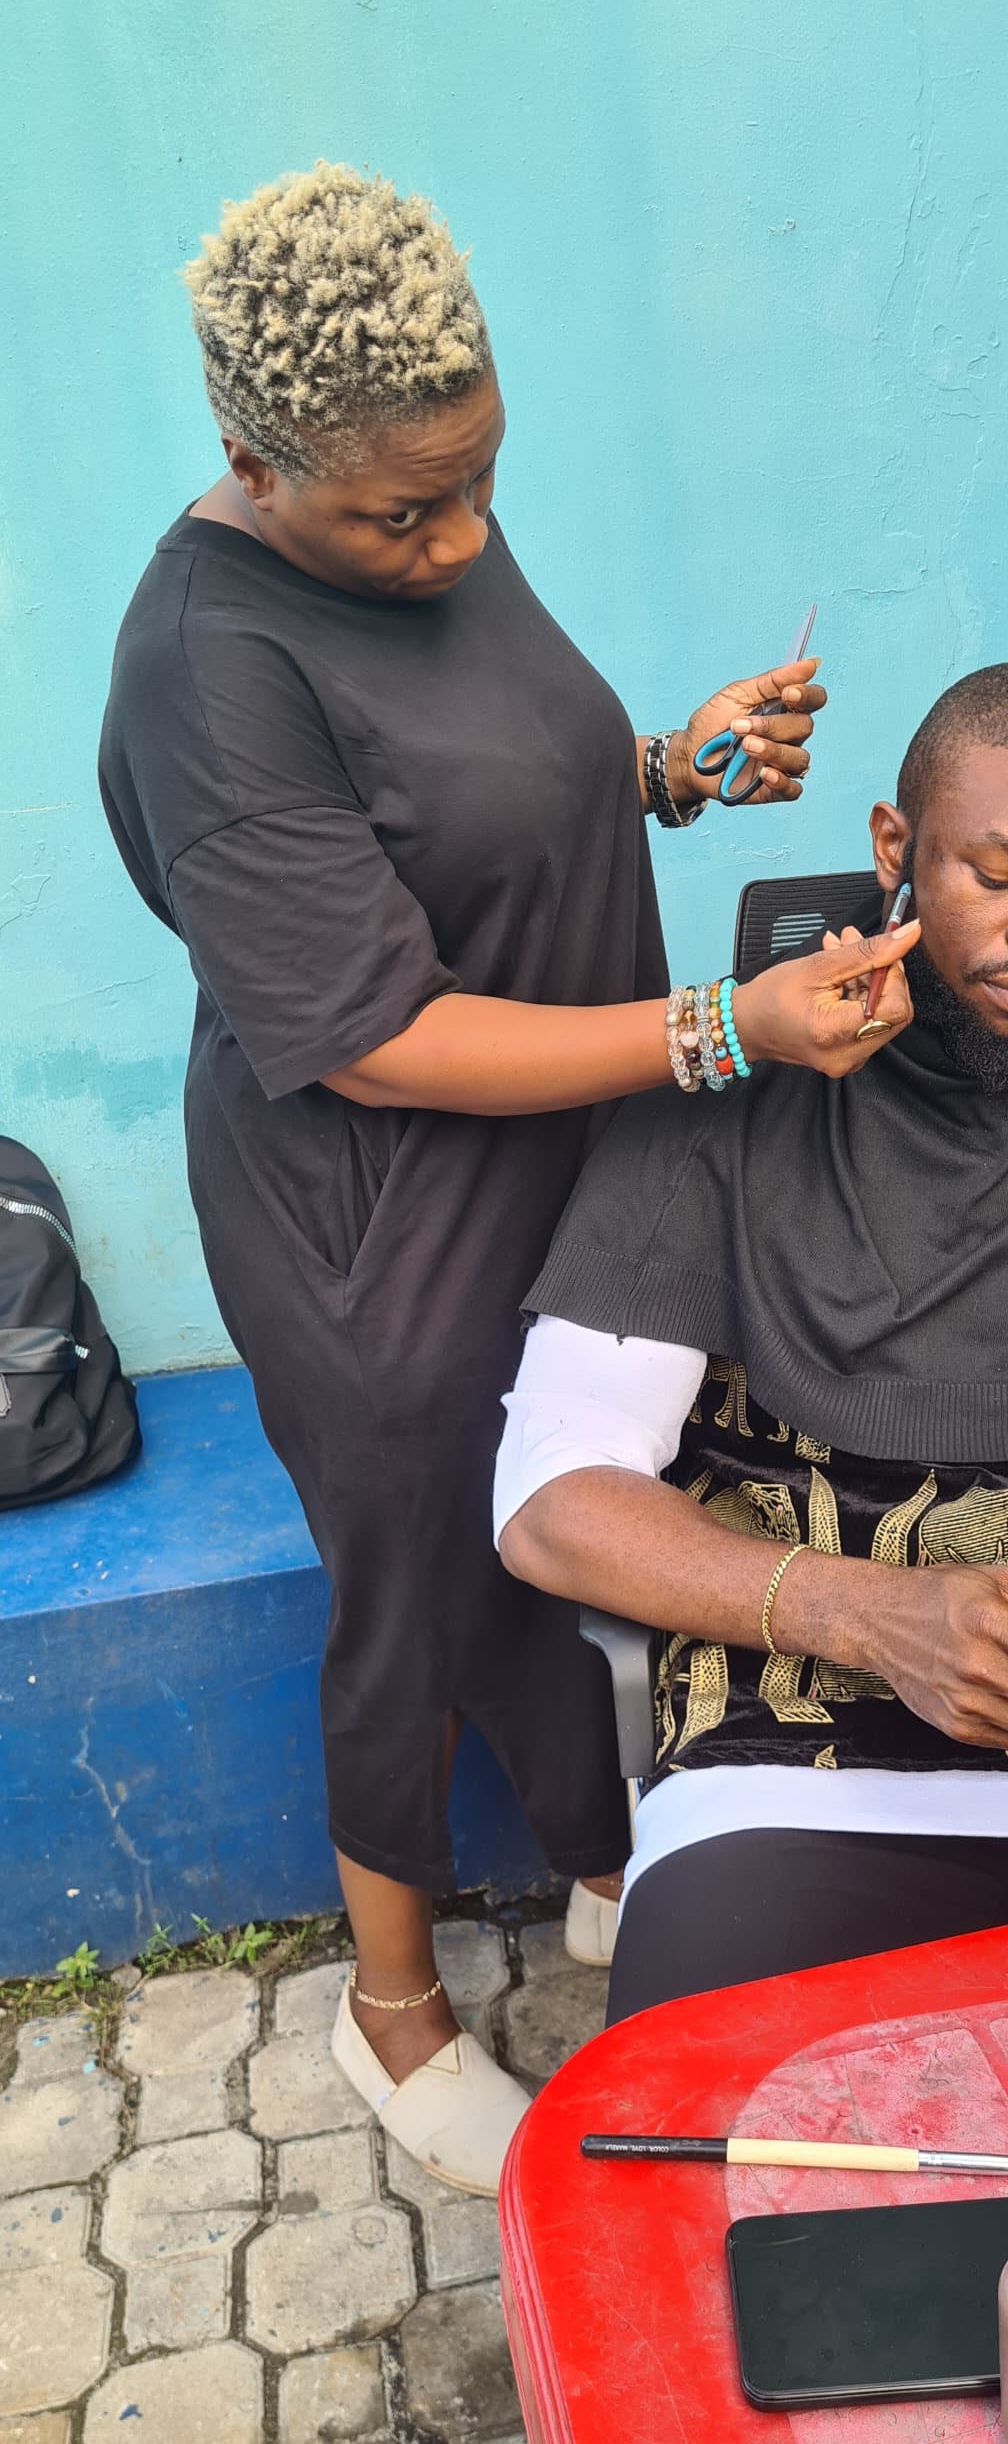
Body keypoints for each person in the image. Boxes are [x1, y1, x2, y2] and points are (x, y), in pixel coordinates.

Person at [97, 161, 917, 2192]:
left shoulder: (409, 496)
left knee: (602, 1489)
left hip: (568, 1134)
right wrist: (726, 1030)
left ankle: (594, 1859)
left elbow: (483, 766)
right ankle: (395, 2019)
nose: (457, 538)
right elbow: (378, 1024)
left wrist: (669, 760)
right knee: (422, 1564)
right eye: (404, 511)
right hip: (373, 1212)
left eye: (478, 484)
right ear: (253, 461)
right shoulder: (212, 668)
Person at [496, 662, 1008, 2024]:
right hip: (795, 1754)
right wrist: (867, 1612)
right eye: (1000, 871)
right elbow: (552, 1503)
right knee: (732, 2160)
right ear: (892, 848)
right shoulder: (742, 1081)